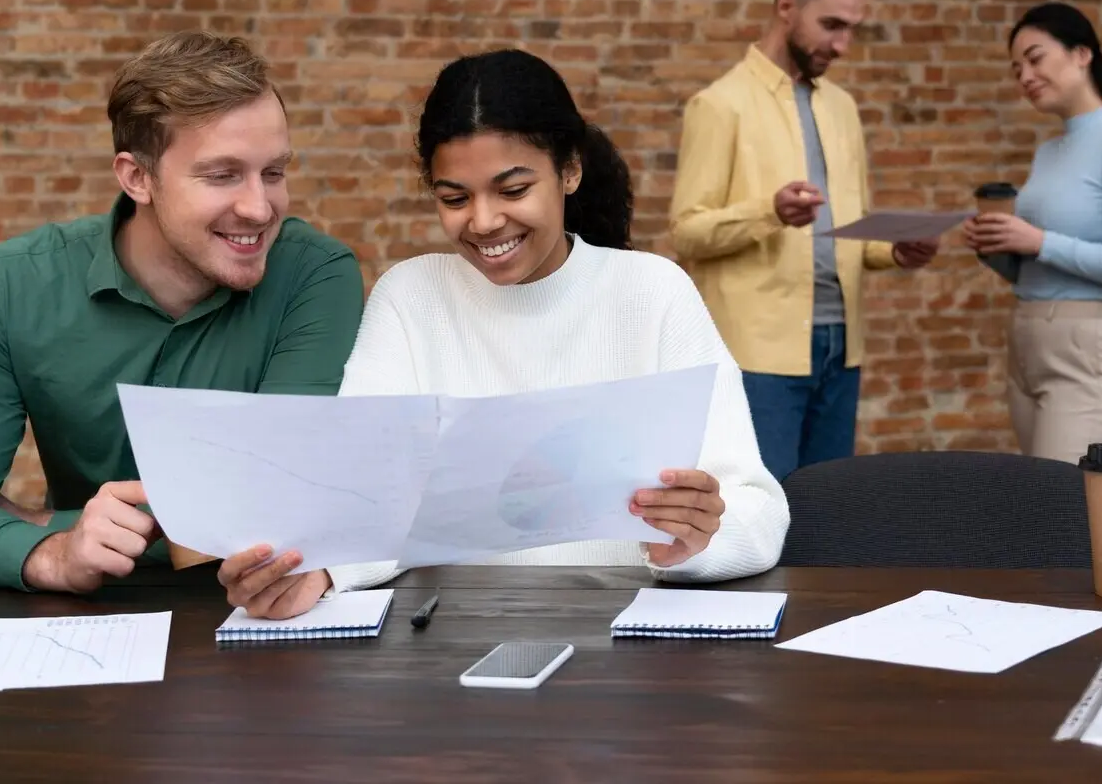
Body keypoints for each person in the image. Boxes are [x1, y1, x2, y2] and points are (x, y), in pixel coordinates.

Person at [224, 48, 789, 603]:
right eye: (454, 198)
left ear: (570, 170)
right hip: (453, 634)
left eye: (514, 190)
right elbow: (363, 495)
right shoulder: (412, 298)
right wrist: (318, 572)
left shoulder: (653, 293)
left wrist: (697, 541)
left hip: (624, 631)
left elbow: (758, 510)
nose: (484, 221)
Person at [0, 30, 365, 615]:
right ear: (137, 177)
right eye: (222, 175)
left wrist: (40, 521)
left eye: (273, 172)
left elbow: (281, 504)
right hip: (78, 623)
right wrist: (54, 553)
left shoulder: (315, 275)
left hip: (260, 619)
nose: (260, 208)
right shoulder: (12, 283)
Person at [668, 0, 938, 484]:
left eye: (852, 29)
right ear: (786, 6)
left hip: (842, 348)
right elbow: (687, 232)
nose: (842, 45)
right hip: (759, 355)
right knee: (761, 508)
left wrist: (894, 251)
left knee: (830, 508)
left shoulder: (842, 108)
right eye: (831, 25)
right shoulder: (719, 105)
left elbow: (844, 231)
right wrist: (769, 211)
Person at [963, 2, 1102, 465]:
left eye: (1035, 58)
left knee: (1061, 499)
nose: (1025, 76)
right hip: (1027, 340)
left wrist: (1038, 241)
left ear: (1082, 53)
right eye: (1016, 69)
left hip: (1085, 350)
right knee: (1039, 495)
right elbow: (1038, 266)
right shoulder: (1049, 151)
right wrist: (995, 247)